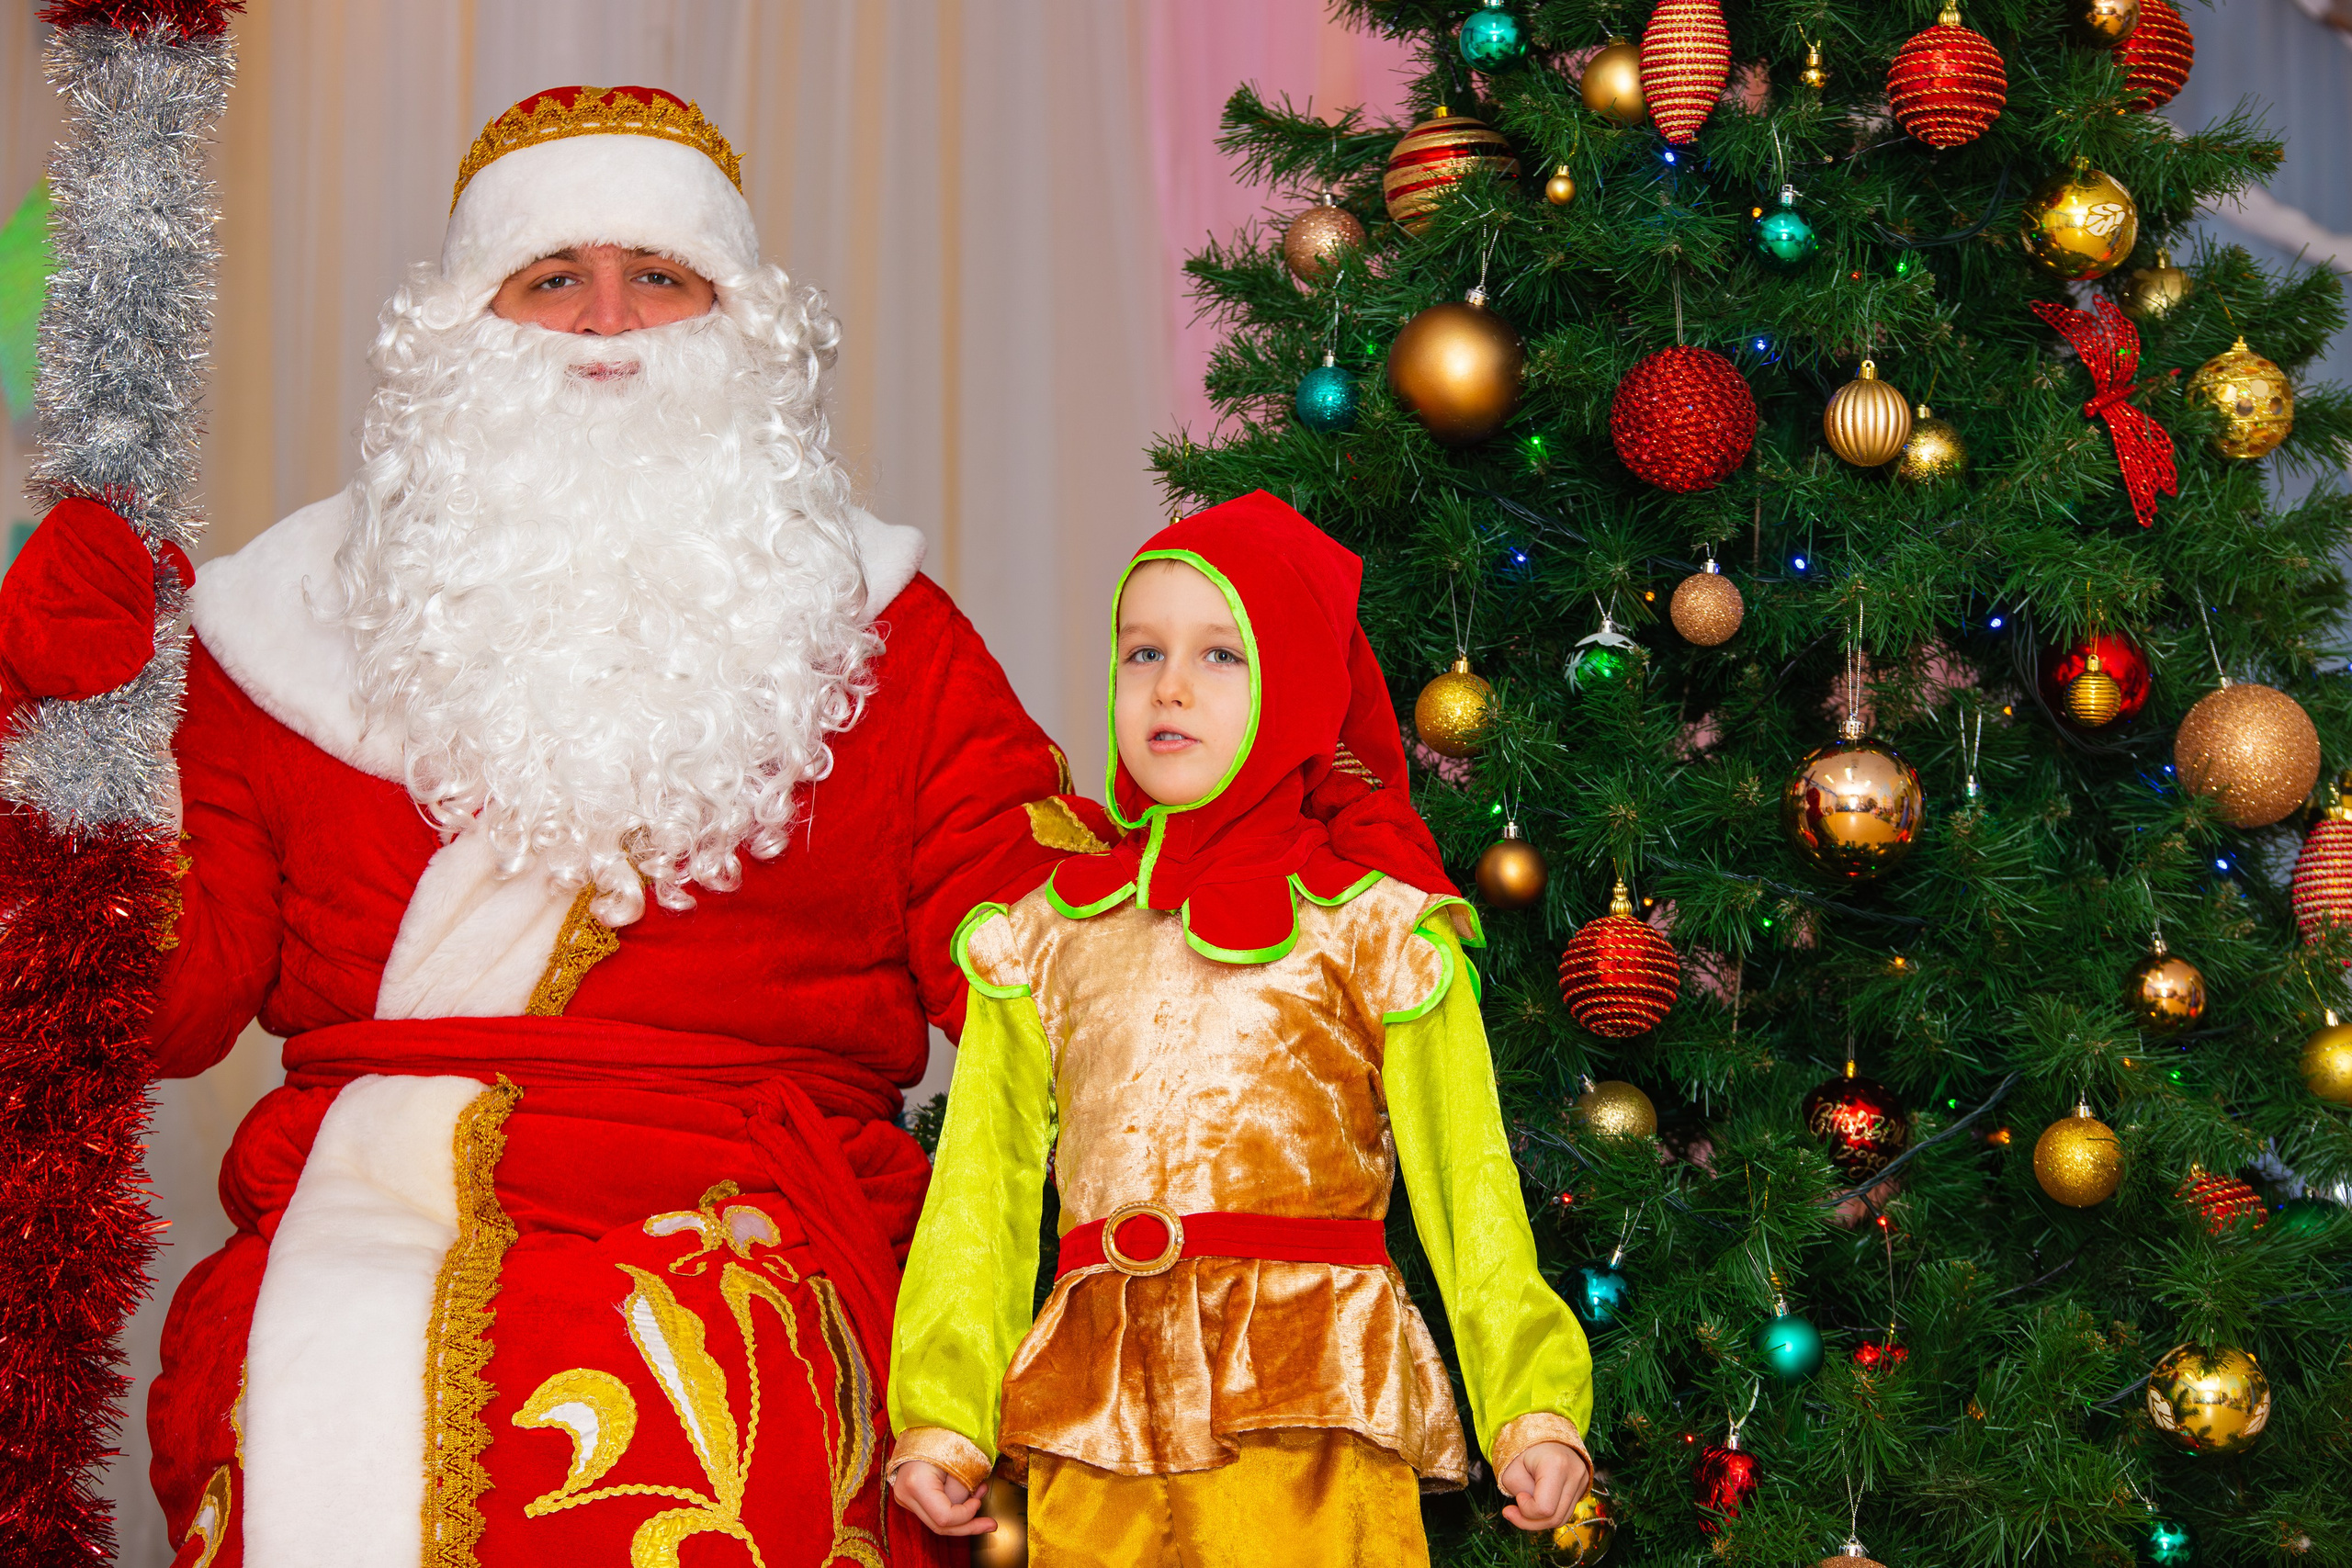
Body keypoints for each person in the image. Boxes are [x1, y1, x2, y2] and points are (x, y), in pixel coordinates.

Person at [0, 85, 1112, 1568]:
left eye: (659, 277)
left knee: (730, 1398)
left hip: (756, 1200)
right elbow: (165, 1003)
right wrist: (74, 742)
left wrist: (1261, 872)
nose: (605, 322)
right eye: (550, 279)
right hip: (362, 1200)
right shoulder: (281, 631)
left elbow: (1046, 947)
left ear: (737, 325)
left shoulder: (883, 629)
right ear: (465, 328)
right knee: (307, 1379)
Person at [884, 491, 1595, 1566]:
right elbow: (978, 1188)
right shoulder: (1041, 939)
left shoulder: (1379, 933)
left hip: (1310, 1410)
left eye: (1221, 656)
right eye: (1141, 652)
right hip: (1097, 1426)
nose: (1167, 684)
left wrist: (1530, 1410)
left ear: (1302, 688)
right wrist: (942, 1414)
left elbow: (1471, 1187)